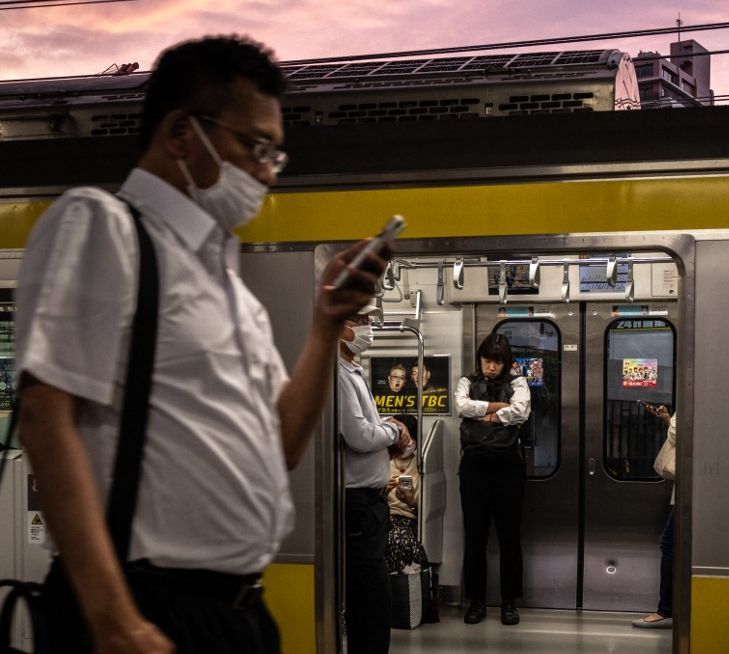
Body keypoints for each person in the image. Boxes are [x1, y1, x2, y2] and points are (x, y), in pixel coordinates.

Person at [14, 35, 389, 654]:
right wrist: (112, 620)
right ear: (182, 132)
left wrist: (324, 327)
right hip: (143, 608)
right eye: (255, 145)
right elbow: (44, 416)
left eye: (276, 153)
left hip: (236, 611)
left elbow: (282, 446)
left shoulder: (229, 290)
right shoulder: (103, 226)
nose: (268, 171)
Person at [336, 308, 413, 654]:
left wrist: (387, 424)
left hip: (371, 500)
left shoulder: (352, 370)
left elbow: (369, 426)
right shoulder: (336, 374)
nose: (368, 328)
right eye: (359, 320)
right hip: (357, 502)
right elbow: (360, 436)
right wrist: (393, 429)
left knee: (373, 598)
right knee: (369, 599)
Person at [454, 332, 531, 626]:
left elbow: (521, 411)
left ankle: (509, 602)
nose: (491, 368)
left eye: (497, 362)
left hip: (507, 468)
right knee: (475, 536)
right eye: (487, 361)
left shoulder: (518, 383)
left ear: (506, 363)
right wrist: (499, 410)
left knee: (509, 536)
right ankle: (476, 601)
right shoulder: (466, 381)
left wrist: (482, 413)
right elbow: (461, 407)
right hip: (474, 467)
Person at [632, 404, 676, 630]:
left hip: (690, 492)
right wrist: (668, 419)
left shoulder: (696, 395)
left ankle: (666, 610)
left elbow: (680, 434)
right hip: (688, 490)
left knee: (669, 544)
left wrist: (673, 422)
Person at [385, 414, 429, 574]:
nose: (407, 444)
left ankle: (404, 588)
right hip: (384, 517)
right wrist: (384, 489)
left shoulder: (421, 467)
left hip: (408, 521)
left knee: (401, 541)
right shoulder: (383, 462)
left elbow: (423, 514)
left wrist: (411, 501)